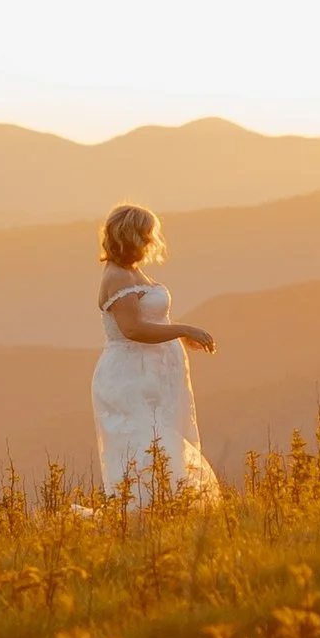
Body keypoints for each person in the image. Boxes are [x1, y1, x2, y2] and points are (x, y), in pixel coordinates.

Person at [91, 203, 221, 501]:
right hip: (131, 376)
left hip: (154, 373)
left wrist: (176, 336)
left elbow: (151, 321)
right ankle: (146, 508)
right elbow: (133, 329)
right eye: (146, 234)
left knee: (165, 440)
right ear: (131, 236)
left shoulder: (131, 273)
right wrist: (184, 330)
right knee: (146, 442)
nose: (151, 241)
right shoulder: (118, 277)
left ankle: (169, 503)